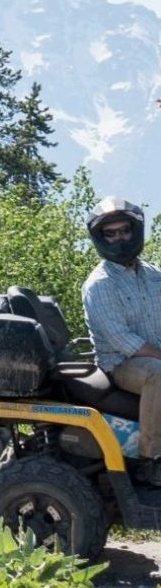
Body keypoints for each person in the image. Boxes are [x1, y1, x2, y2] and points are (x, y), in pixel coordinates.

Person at [81, 197, 161, 484]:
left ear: (135, 231)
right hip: (122, 365)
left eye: (124, 230)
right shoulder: (99, 285)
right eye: (110, 233)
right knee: (158, 375)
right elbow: (123, 341)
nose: (119, 238)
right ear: (100, 238)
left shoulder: (153, 275)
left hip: (153, 356)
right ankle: (152, 460)